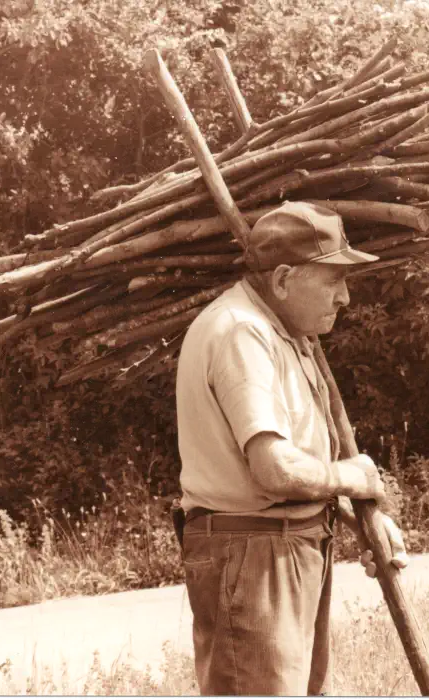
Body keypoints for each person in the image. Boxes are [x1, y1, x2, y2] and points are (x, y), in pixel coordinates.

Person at [172, 201, 410, 696]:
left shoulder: (286, 335)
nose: (345, 297)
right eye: (332, 280)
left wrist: (364, 518)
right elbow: (275, 469)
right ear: (282, 280)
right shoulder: (242, 332)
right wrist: (355, 477)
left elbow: (302, 459)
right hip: (253, 557)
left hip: (285, 549)